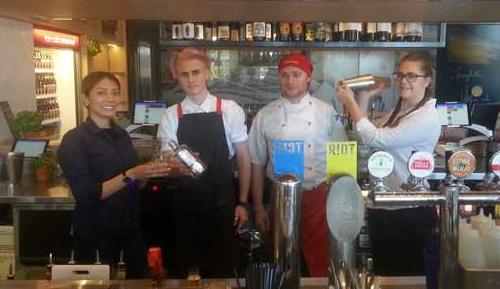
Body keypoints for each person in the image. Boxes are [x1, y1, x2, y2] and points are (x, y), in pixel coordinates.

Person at [336, 51, 442, 276]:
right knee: (386, 274)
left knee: (406, 277)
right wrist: (365, 97)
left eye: (412, 76)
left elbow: (376, 138)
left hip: (409, 209)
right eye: (400, 75)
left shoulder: (425, 116)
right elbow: (362, 133)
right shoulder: (401, 110)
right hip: (386, 204)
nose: (404, 81)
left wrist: (350, 101)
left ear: (427, 80)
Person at [58, 71, 171, 278]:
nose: (110, 99)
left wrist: (152, 172)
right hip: (96, 235)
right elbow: (87, 194)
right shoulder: (75, 140)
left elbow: (135, 182)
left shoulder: (121, 135)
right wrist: (132, 174)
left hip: (130, 232)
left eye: (115, 93)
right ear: (86, 99)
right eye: (101, 93)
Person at [248, 52, 348, 277]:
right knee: (283, 259)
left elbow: (341, 156)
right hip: (280, 198)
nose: (290, 81)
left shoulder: (327, 111)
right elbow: (256, 163)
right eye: (284, 75)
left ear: (308, 78)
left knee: (320, 260)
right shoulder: (264, 115)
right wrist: (258, 207)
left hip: (319, 197)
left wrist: (342, 200)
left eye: (296, 74)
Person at [157, 47, 251, 278]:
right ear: (177, 78)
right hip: (185, 207)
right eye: (184, 74)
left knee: (225, 269)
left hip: (223, 204)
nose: (191, 79)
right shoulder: (171, 115)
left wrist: (243, 202)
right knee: (187, 271)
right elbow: (166, 164)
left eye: (196, 72)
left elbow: (244, 158)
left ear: (207, 72)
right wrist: (176, 167)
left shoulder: (230, 110)